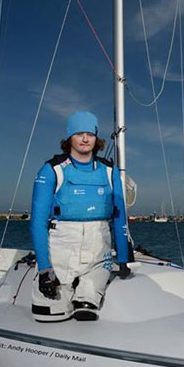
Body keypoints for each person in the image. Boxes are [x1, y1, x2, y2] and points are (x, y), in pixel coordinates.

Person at [30, 111, 131, 322]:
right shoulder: (51, 170)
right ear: (70, 137)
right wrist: (44, 268)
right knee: (48, 317)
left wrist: (123, 258)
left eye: (90, 134)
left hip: (98, 252)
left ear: (96, 137)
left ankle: (86, 295)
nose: (85, 139)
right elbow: (38, 221)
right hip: (61, 251)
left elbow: (119, 215)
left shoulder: (109, 171)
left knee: (86, 310)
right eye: (79, 134)